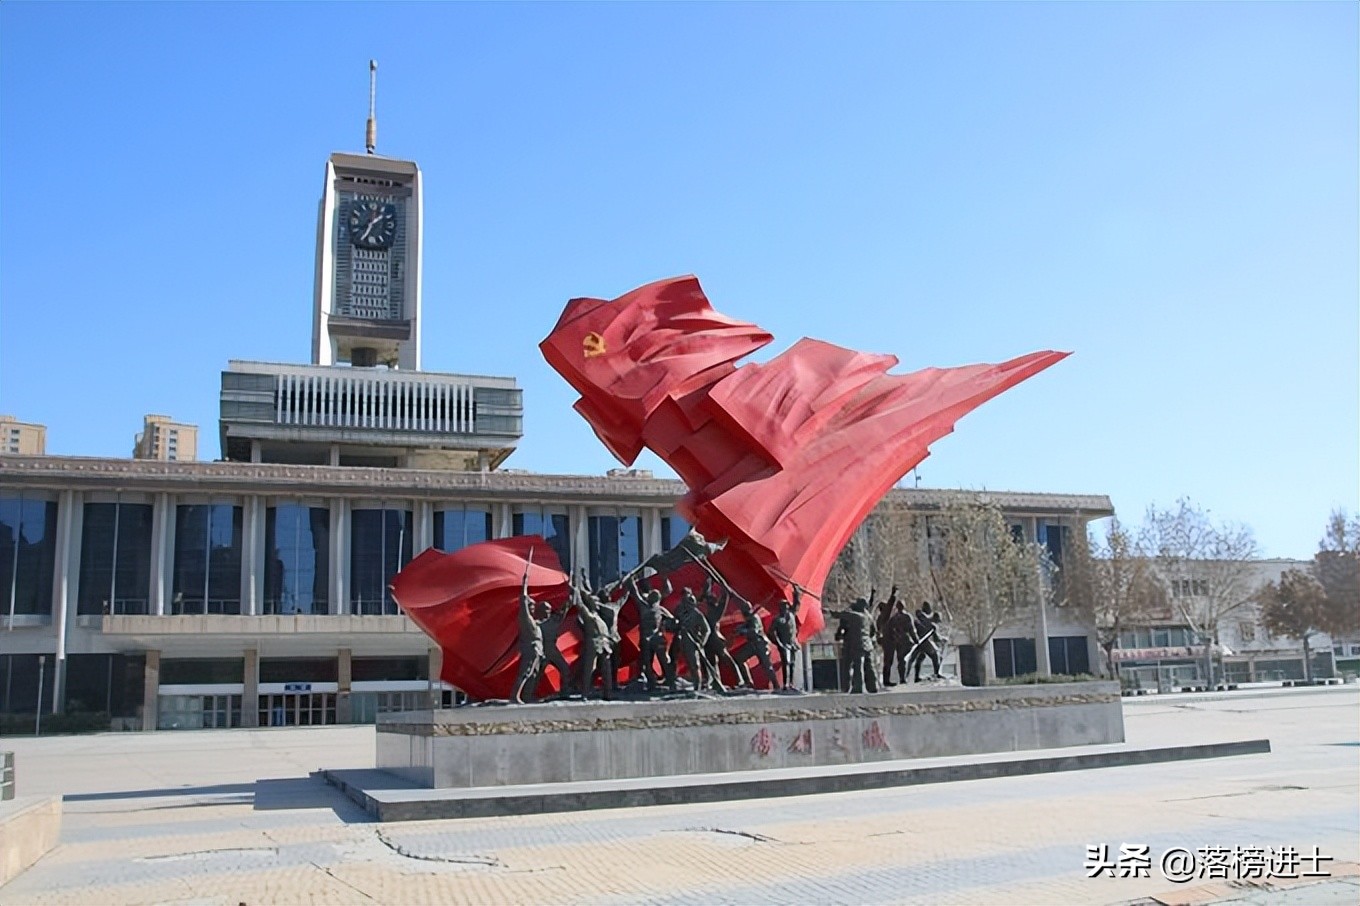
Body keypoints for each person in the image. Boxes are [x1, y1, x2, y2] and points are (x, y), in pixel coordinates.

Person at [628, 574, 675, 692]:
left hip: (656, 639)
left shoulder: (660, 610)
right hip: (646, 639)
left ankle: (670, 681)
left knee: (663, 661)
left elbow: (673, 621)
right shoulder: (644, 606)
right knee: (647, 662)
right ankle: (651, 683)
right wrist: (631, 580)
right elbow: (635, 593)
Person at [510, 556, 548, 704]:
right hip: (531, 648)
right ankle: (515, 696)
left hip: (537, 650)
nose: (532, 608)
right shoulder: (526, 619)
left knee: (533, 673)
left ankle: (527, 696)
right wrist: (525, 583)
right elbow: (523, 600)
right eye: (531, 606)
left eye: (533, 606)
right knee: (525, 673)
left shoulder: (535, 621)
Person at [571, 573, 615, 700]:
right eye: (594, 602)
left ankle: (608, 693)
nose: (597, 603)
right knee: (590, 668)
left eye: (597, 601)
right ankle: (585, 693)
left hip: (605, 644)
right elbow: (579, 604)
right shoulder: (588, 615)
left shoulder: (600, 615)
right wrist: (575, 589)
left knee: (607, 669)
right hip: (593, 643)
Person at [700, 577, 743, 690]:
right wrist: (709, 580)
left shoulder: (716, 612)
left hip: (716, 640)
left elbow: (724, 599)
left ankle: (740, 680)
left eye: (708, 602)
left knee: (727, 660)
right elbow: (706, 593)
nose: (706, 603)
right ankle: (713, 681)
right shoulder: (707, 612)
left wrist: (725, 588)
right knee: (710, 662)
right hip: (708, 641)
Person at [831, 596, 878, 694]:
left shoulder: (855, 616)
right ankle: (873, 686)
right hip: (868, 645)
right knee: (869, 667)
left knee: (858, 666)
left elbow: (839, 614)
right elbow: (874, 631)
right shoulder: (869, 616)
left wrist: (829, 611)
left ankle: (858, 687)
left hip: (858, 644)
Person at [669, 587, 714, 691]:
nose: (686, 600)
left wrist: (701, 642)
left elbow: (706, 630)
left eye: (688, 598)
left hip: (692, 641)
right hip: (680, 638)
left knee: (694, 664)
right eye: (684, 596)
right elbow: (676, 621)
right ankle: (672, 682)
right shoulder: (679, 609)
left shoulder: (697, 614)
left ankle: (697, 686)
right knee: (673, 659)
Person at [770, 585, 804, 689]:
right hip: (783, 643)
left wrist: (796, 592)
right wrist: (778, 643)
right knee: (786, 663)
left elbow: (797, 604)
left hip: (792, 642)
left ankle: (791, 683)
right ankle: (785, 683)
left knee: (792, 663)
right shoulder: (777, 619)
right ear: (780, 608)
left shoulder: (791, 614)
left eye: (786, 606)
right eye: (783, 606)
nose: (786, 608)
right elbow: (771, 632)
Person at [907, 601, 943, 682]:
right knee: (934, 656)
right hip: (921, 642)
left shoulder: (928, 623)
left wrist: (941, 639)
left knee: (919, 658)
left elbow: (936, 638)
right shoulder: (928, 622)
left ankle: (915, 676)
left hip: (919, 642)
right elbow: (936, 638)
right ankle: (936, 673)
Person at [886, 598, 916, 686]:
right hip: (906, 640)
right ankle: (904, 678)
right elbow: (911, 630)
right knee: (905, 659)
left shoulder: (893, 618)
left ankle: (902, 677)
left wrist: (893, 639)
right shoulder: (907, 616)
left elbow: (889, 630)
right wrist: (916, 640)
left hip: (898, 641)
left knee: (901, 660)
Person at [876, 586, 900, 687]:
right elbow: (890, 605)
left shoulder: (879, 619)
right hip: (888, 641)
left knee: (888, 661)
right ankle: (886, 680)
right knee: (888, 661)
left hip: (885, 641)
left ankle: (886, 679)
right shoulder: (884, 617)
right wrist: (893, 594)